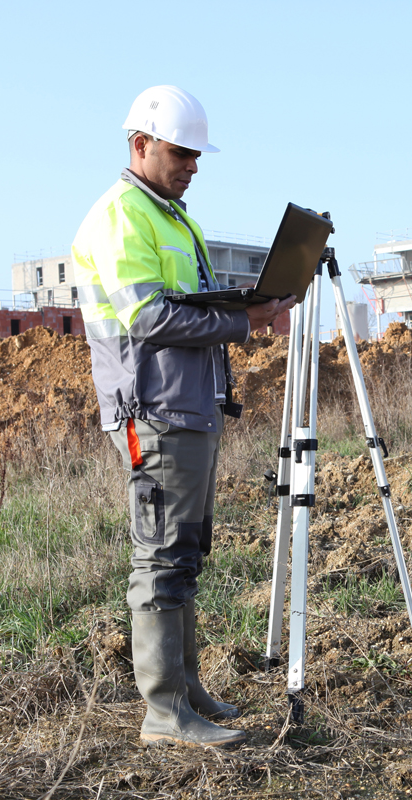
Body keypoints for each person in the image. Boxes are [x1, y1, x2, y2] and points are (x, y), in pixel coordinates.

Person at [72, 85, 293, 748]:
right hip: (152, 413)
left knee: (186, 554)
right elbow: (147, 317)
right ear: (139, 144)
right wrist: (239, 318)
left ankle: (187, 691)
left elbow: (185, 304)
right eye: (180, 153)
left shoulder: (172, 216)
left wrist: (243, 309)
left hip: (190, 408)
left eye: (197, 155)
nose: (192, 165)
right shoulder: (122, 217)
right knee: (162, 557)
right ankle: (165, 713)